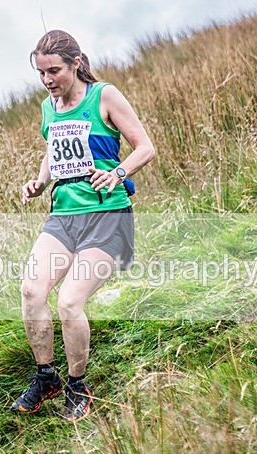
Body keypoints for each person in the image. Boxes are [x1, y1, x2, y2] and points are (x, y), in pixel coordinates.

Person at [13, 31, 155, 421]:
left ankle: (78, 384)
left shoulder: (104, 96)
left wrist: (118, 172)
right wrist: (40, 181)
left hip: (107, 215)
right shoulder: (48, 106)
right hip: (63, 215)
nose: (47, 80)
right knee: (31, 290)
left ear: (76, 63)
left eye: (54, 71)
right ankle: (47, 377)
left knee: (69, 302)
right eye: (41, 73)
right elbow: (52, 150)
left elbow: (145, 146)